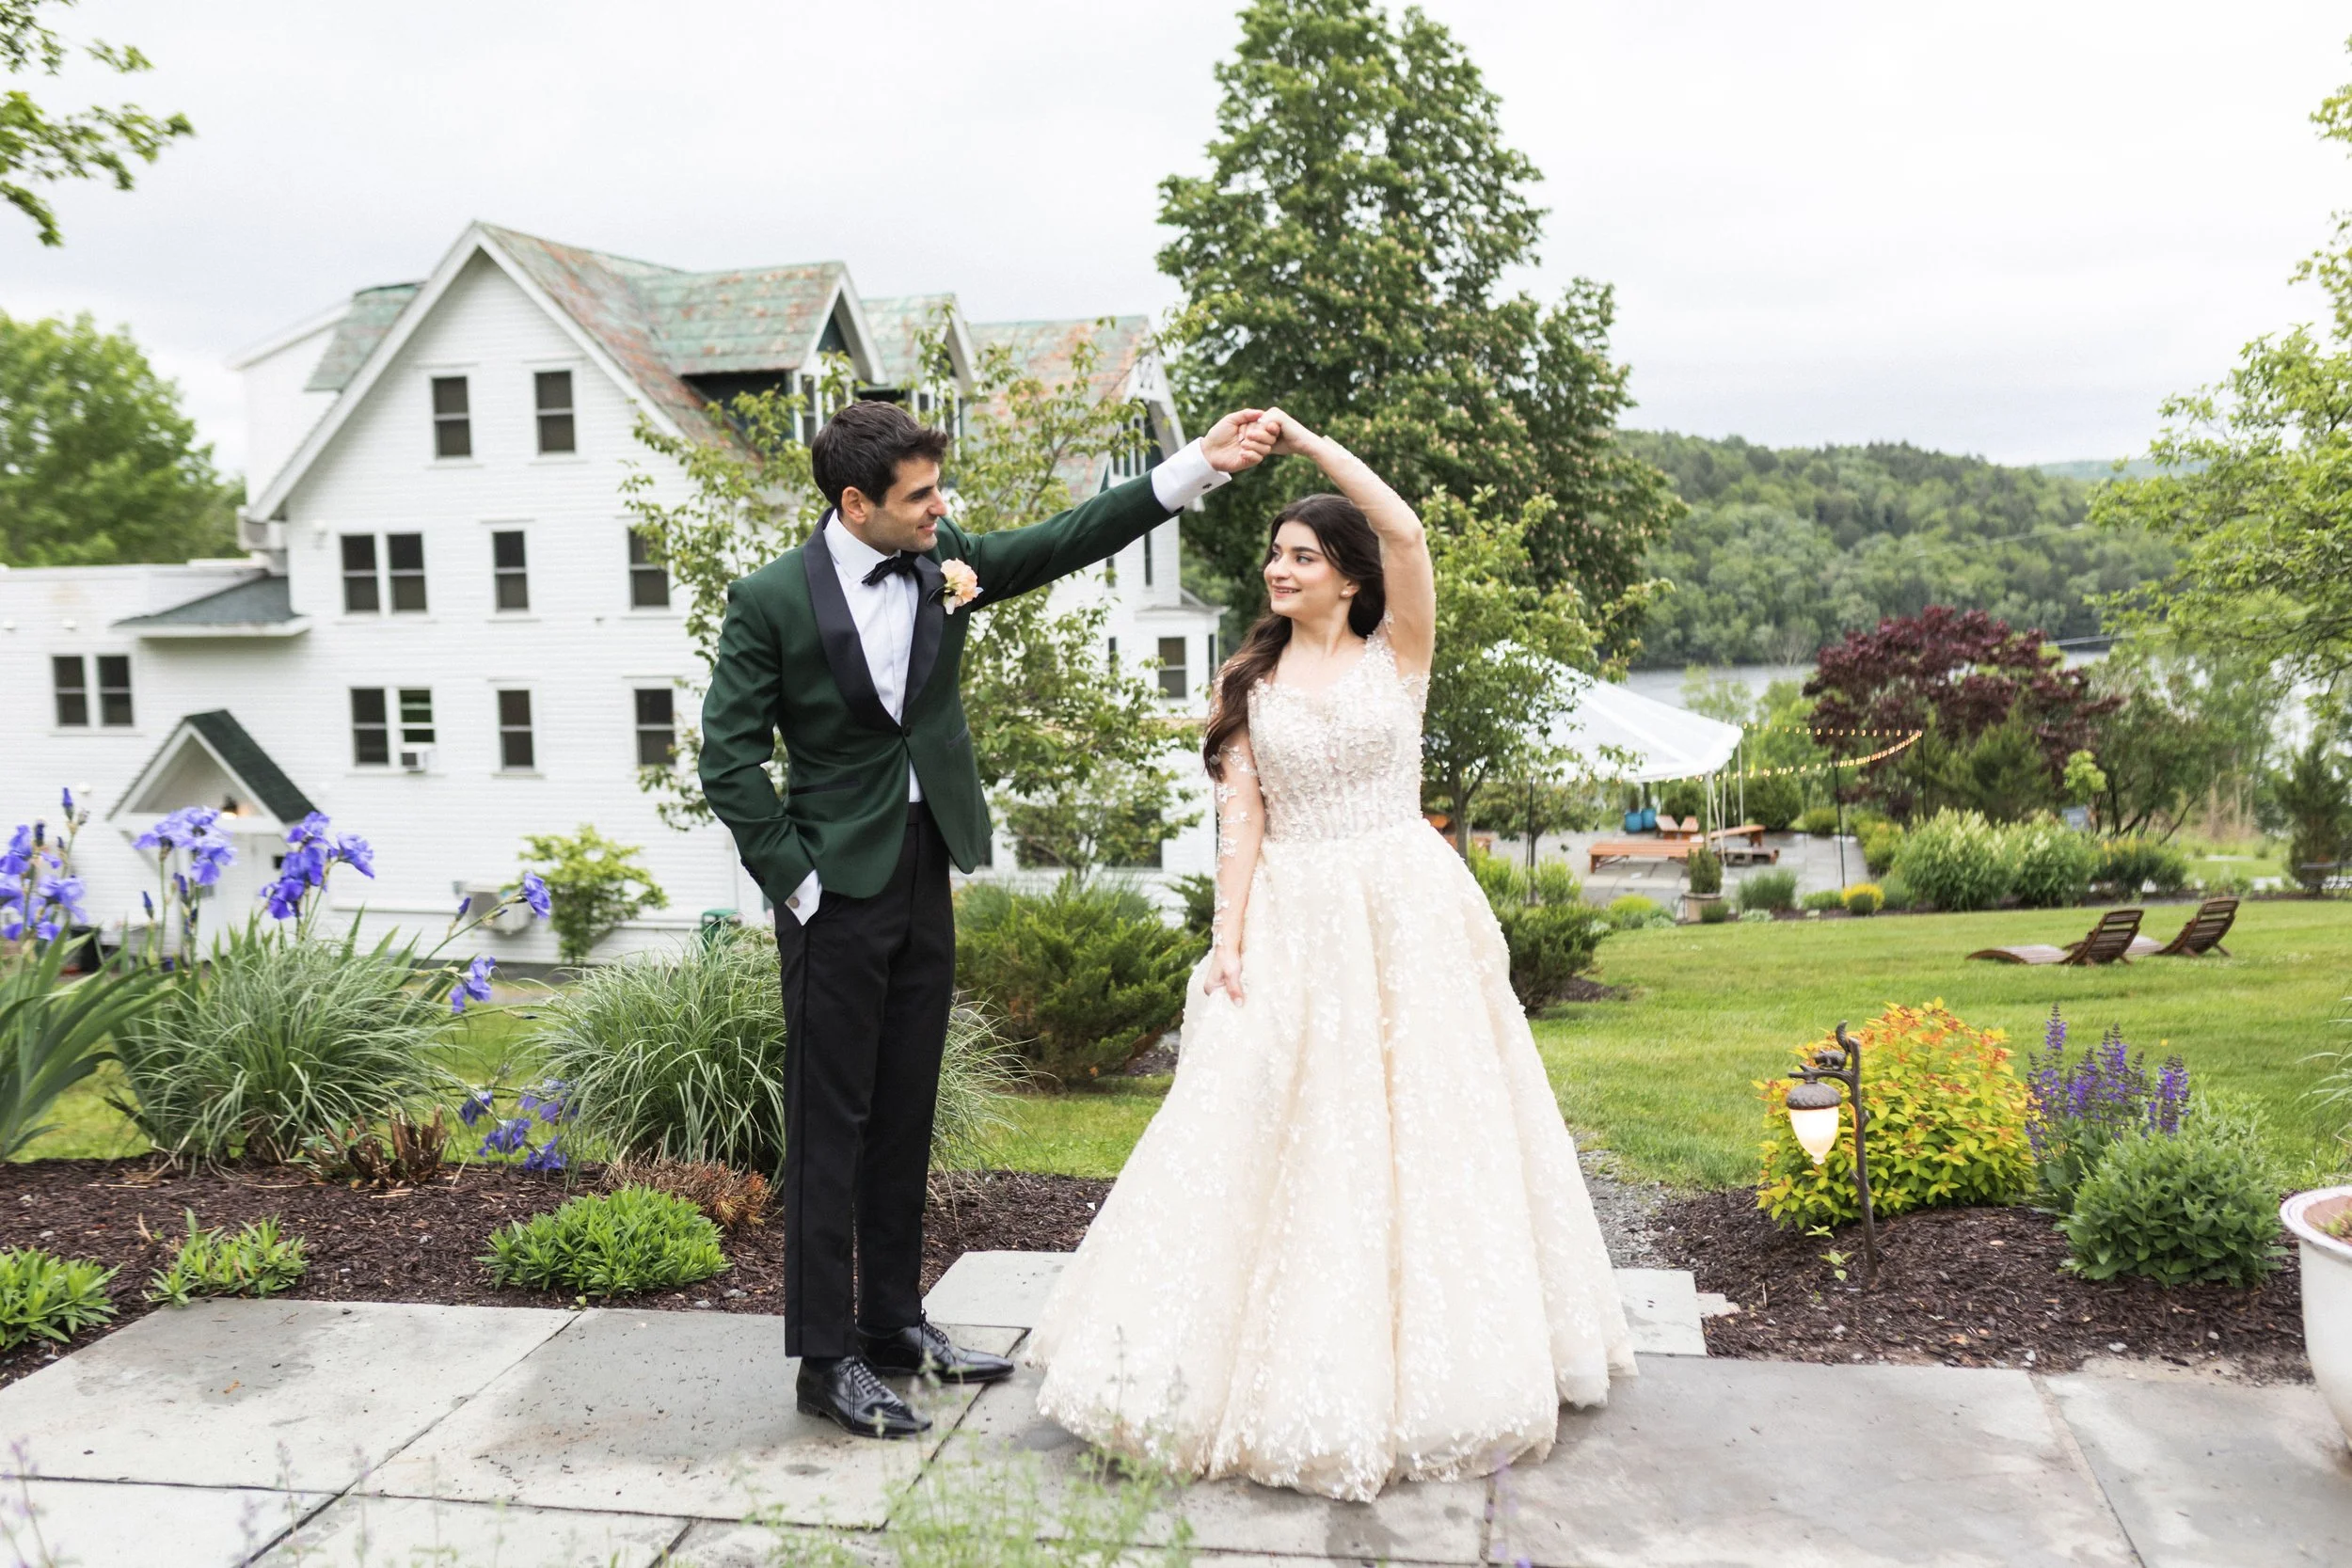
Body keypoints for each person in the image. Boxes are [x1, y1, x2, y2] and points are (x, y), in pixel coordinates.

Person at [1026, 409, 1635, 1501]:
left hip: (1405, 910)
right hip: (1295, 914)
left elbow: (1405, 531)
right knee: (1275, 1121)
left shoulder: (1398, 654)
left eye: (1302, 555)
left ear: (1348, 578)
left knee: (1428, 1126)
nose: (1279, 569)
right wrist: (1226, 941)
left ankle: (1438, 1364)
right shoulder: (1247, 684)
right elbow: (1241, 825)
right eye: (1275, 553)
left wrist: (1308, 445)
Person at [699, 398, 1279, 1438]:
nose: (941, 509)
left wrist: (1198, 463)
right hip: (832, 888)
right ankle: (824, 1361)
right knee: (833, 1123)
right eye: (920, 495)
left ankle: (892, 1324)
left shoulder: (941, 560)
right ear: (855, 503)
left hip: (928, 864)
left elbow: (1064, 538)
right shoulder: (770, 599)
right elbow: (727, 759)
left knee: (907, 1104)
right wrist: (797, 882)